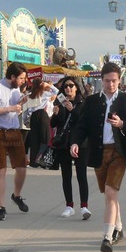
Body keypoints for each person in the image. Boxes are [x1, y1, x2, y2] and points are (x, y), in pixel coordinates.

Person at [71, 63, 126, 252]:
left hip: (119, 152)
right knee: (110, 194)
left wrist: (121, 124)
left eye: (114, 81)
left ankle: (106, 238)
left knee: (111, 192)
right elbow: (82, 126)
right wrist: (75, 142)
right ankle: (118, 227)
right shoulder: (92, 101)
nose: (111, 84)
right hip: (98, 152)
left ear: (120, 80)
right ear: (101, 81)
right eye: (107, 81)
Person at [0, 62, 29, 221]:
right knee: (0, 170)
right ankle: (1, 207)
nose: (23, 81)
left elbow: (16, 108)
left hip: (14, 132)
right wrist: (9, 108)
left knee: (22, 167)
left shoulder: (16, 89)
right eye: (21, 78)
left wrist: (21, 103)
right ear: (13, 76)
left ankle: (17, 195)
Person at [50, 76, 90, 219]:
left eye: (71, 85)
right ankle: (69, 206)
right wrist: (54, 114)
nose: (68, 88)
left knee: (81, 175)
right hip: (63, 144)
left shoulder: (83, 102)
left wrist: (72, 110)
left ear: (77, 87)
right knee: (66, 176)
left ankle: (84, 206)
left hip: (79, 144)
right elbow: (54, 124)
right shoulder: (60, 102)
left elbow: (84, 122)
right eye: (66, 86)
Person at [22, 78, 57, 166]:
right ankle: (43, 160)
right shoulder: (44, 93)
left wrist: (26, 120)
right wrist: (48, 85)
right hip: (42, 115)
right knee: (45, 138)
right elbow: (56, 91)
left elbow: (26, 110)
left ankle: (34, 161)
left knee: (34, 139)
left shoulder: (30, 94)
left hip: (33, 116)